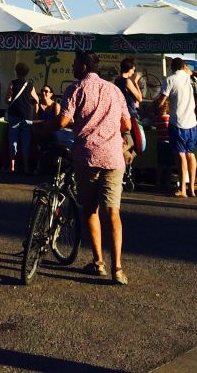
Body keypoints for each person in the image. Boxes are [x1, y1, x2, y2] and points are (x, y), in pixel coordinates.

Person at [53, 50, 131, 285]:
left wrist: (41, 129)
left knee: (90, 209)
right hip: (114, 158)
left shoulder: (76, 89)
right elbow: (126, 123)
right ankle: (117, 269)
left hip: (87, 156)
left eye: (75, 63)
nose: (72, 67)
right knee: (113, 213)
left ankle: (98, 263)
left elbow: (63, 121)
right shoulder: (115, 90)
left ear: (84, 67)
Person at [157, 58, 197, 198]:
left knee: (180, 155)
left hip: (177, 122)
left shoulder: (170, 80)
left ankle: (183, 190)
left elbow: (161, 101)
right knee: (190, 154)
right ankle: (192, 188)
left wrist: (152, 109)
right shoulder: (193, 80)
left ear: (173, 67)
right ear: (184, 66)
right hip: (192, 123)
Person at [6, 62, 39, 175]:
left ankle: (12, 167)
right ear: (26, 73)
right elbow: (36, 99)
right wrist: (28, 103)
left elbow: (7, 99)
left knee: (13, 141)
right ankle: (25, 167)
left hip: (14, 114)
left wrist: (12, 101)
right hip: (27, 116)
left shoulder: (13, 83)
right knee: (26, 141)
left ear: (16, 71)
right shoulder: (30, 85)